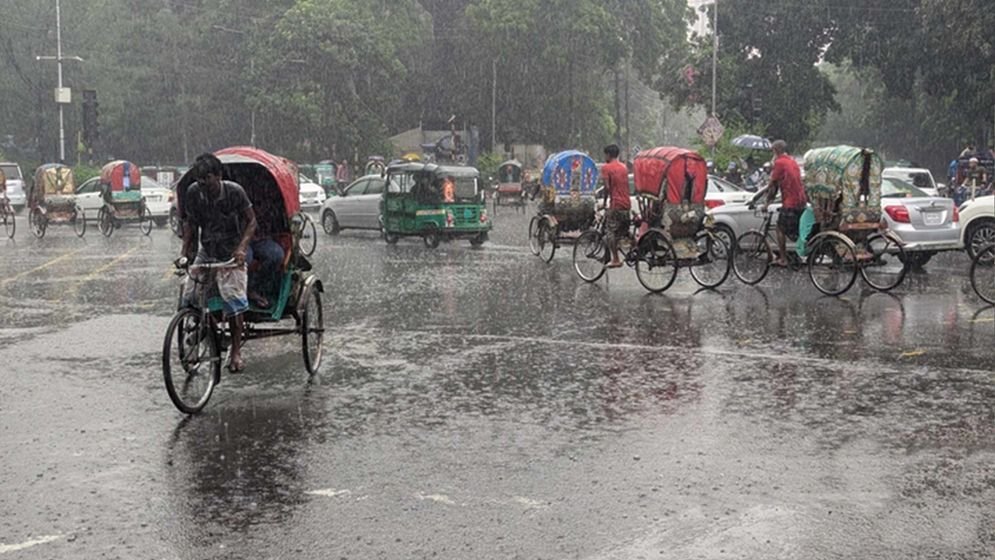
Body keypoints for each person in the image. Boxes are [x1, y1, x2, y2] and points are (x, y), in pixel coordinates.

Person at [180, 153, 257, 373]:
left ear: (219, 176)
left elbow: (252, 221)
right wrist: (185, 253)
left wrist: (242, 247)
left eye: (208, 179)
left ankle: (235, 351)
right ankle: (206, 329)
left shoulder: (234, 192)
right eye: (199, 180)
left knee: (233, 303)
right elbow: (190, 224)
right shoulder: (194, 193)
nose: (203, 184)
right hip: (208, 249)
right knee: (189, 295)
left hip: (231, 251)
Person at [764, 140, 806, 267]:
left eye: (773, 151)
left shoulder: (779, 163)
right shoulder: (793, 162)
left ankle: (783, 258)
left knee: (780, 228)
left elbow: (772, 185)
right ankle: (795, 254)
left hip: (791, 203)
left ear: (775, 151)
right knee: (795, 230)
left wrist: (766, 203)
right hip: (801, 202)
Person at [602, 144, 631, 268]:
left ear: (608, 154)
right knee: (624, 230)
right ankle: (635, 247)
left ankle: (615, 259)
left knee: (610, 232)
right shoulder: (624, 167)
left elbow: (607, 188)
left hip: (616, 204)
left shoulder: (606, 168)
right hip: (627, 204)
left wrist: (604, 203)